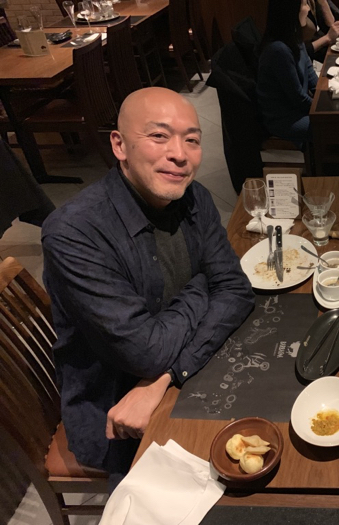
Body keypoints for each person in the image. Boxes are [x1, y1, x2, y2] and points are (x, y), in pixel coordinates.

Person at [41, 87, 256, 489]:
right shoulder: (75, 233)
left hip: (171, 376)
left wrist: (165, 376)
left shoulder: (194, 197)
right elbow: (147, 352)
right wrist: (202, 285)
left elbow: (235, 290)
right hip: (116, 406)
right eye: (159, 136)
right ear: (119, 145)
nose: (179, 154)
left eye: (192, 140)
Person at [257, 0, 318, 146]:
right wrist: (322, 110)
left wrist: (325, 94)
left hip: (297, 109)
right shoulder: (279, 50)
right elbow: (298, 98)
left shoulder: (294, 37)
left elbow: (310, 75)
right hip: (285, 118)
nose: (308, 9)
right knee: (335, 125)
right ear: (290, 12)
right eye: (304, 4)